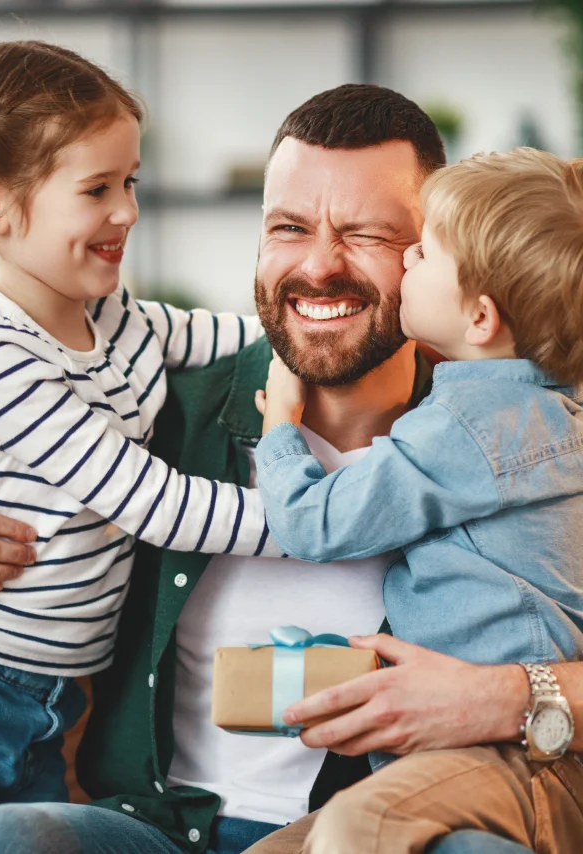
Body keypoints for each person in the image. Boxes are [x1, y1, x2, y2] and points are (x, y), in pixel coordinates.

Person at [0, 83, 572, 854]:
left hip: (371, 830)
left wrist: (509, 696)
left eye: (369, 234)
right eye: (288, 227)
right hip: (151, 830)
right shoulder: (147, 411)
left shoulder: (524, 448)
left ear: (439, 259)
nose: (318, 266)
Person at [0, 40, 278, 827]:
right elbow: (155, 503)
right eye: (96, 189)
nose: (127, 210)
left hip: (51, 701)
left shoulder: (115, 317)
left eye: (129, 182)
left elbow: (237, 337)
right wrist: (324, 521)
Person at [251, 147, 583, 853]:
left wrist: (280, 427)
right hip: (504, 760)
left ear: (482, 318)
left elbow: (315, 522)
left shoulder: (467, 425)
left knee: (357, 826)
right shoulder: (553, 415)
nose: (405, 264)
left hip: (511, 758)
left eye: (423, 253)